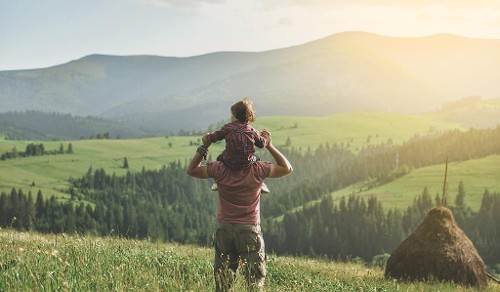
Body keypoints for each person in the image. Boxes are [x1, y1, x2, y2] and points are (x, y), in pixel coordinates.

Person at [186, 129, 293, 291]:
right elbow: (287, 168)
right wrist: (269, 145)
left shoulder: (219, 168)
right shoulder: (258, 168)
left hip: (225, 229)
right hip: (249, 229)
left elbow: (192, 170)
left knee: (223, 281)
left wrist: (204, 146)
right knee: (254, 281)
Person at [202, 97, 270, 193]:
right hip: (247, 162)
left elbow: (214, 137)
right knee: (257, 159)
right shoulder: (251, 130)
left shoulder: (228, 128)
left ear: (234, 115)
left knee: (219, 158)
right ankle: (261, 183)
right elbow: (262, 144)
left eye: (232, 114)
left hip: (229, 161)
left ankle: (217, 182)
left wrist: (207, 137)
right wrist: (266, 139)